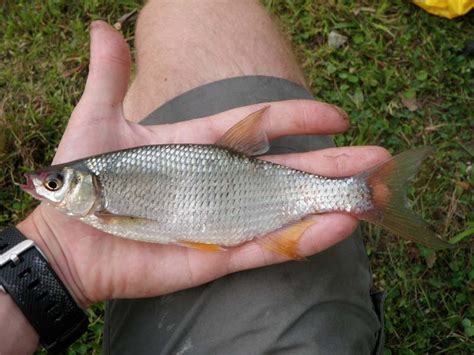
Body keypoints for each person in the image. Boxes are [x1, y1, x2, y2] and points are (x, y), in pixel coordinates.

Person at [0, 1, 389, 354]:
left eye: (55, 184)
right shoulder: (100, 201)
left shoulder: (102, 207)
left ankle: (361, 196)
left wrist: (47, 260)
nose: (47, 190)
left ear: (88, 184)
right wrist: (49, 257)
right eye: (55, 183)